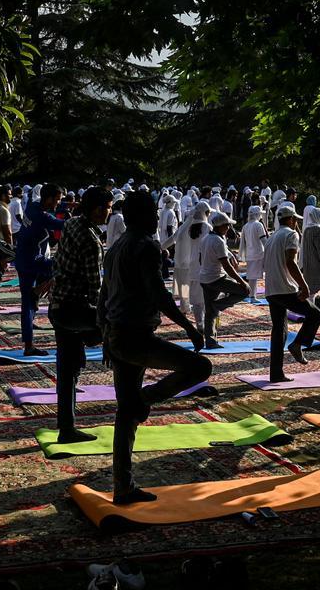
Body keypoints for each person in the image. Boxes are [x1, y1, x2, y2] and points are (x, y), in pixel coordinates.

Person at [100, 190, 211, 504]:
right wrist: (189, 326)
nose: (156, 219)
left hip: (118, 335)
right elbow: (158, 292)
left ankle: (123, 487)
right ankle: (146, 397)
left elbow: (103, 296)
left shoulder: (116, 247)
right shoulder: (145, 246)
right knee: (200, 367)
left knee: (125, 415)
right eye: (152, 213)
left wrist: (105, 335)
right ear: (141, 216)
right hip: (136, 337)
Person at [49, 186, 113, 442]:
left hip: (59, 307)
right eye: (108, 208)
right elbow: (95, 288)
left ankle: (66, 429)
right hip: (74, 310)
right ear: (97, 209)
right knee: (121, 332)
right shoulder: (89, 239)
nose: (109, 212)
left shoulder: (73, 224)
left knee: (67, 372)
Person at [264, 205, 320, 381]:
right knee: (315, 314)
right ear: (290, 220)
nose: (296, 222)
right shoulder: (291, 234)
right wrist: (303, 285)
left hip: (271, 290)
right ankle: (298, 344)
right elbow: (290, 262)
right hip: (284, 289)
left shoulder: (272, 237)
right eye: (295, 219)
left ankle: (276, 373)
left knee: (279, 332)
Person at [14, 184, 67, 357]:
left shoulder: (32, 205)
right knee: (62, 268)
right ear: (49, 199)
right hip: (32, 262)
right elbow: (64, 225)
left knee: (27, 303)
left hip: (23, 258)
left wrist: (70, 206)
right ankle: (29, 346)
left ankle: (36, 292)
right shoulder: (41, 216)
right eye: (57, 200)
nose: (58, 204)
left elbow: (59, 211)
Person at [197, 211, 250, 349]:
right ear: (220, 226)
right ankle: (218, 305)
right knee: (244, 291)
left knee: (209, 313)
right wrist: (242, 282)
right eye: (226, 225)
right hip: (215, 278)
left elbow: (201, 259)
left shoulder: (206, 238)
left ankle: (210, 341)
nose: (228, 228)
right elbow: (227, 267)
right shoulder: (218, 241)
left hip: (205, 278)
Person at [299, 207, 320, 296]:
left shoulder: (307, 228)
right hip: (316, 264)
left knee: (310, 290)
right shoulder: (318, 229)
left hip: (308, 263)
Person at [241, 205, 268, 301]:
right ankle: (256, 295)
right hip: (259, 254)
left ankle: (252, 295)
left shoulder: (246, 226)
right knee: (265, 274)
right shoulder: (258, 225)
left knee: (252, 277)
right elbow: (264, 240)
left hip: (250, 254)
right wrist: (270, 248)